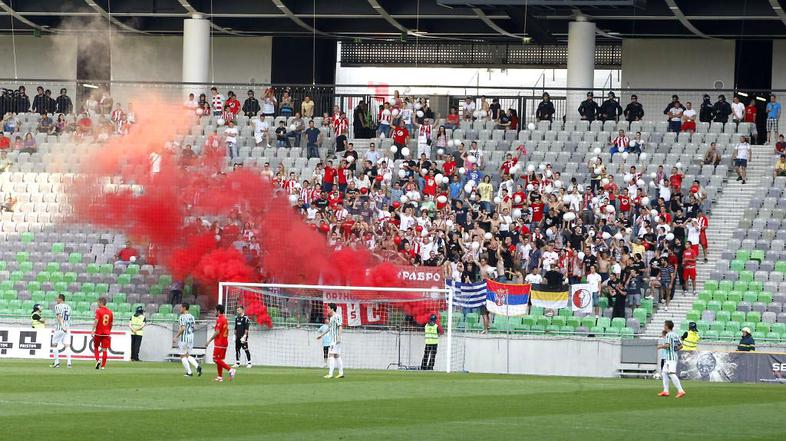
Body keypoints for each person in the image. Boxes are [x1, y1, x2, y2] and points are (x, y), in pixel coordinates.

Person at [205, 304, 235, 382]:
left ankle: (230, 369)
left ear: (218, 311)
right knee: (219, 360)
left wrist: (209, 340)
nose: (214, 312)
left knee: (215, 359)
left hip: (220, 342)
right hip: (224, 342)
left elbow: (217, 332)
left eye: (215, 310)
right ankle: (220, 377)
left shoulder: (220, 319)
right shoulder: (224, 319)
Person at [656, 320, 686, 398]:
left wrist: (660, 346)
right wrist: (675, 349)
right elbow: (681, 346)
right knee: (664, 373)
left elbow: (667, 345)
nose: (663, 326)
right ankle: (666, 391)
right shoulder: (675, 334)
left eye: (664, 325)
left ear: (667, 326)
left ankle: (681, 390)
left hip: (670, 358)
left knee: (671, 373)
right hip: (673, 356)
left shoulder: (668, 335)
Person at [173, 302, 202, 377]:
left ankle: (189, 372)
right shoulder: (192, 317)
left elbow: (183, 328)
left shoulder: (182, 317)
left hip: (184, 338)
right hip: (191, 338)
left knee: (182, 356)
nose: (180, 309)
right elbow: (194, 327)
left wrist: (176, 336)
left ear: (184, 308)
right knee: (187, 355)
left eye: (181, 307)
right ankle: (197, 366)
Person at [321, 303, 344, 379]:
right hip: (333, 340)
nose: (327, 309)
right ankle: (341, 373)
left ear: (332, 309)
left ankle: (330, 374)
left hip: (335, 339)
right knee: (337, 355)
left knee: (331, 355)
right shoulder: (331, 318)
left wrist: (339, 337)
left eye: (328, 308)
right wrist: (321, 335)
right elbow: (329, 328)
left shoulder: (337, 316)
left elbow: (340, 326)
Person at [92, 297, 114, 370]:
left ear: (101, 303)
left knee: (96, 347)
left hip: (98, 333)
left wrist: (93, 330)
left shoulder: (98, 311)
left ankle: (98, 360)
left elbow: (96, 321)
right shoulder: (110, 312)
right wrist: (108, 330)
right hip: (106, 333)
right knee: (104, 350)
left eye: (98, 302)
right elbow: (111, 323)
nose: (97, 304)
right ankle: (103, 366)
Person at [51, 293, 72, 368]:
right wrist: (66, 327)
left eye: (57, 298)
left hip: (60, 328)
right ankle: (69, 363)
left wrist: (62, 326)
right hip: (67, 328)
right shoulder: (69, 307)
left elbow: (59, 317)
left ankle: (57, 362)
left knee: (54, 345)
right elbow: (69, 318)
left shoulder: (57, 306)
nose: (56, 300)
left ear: (60, 299)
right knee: (67, 346)